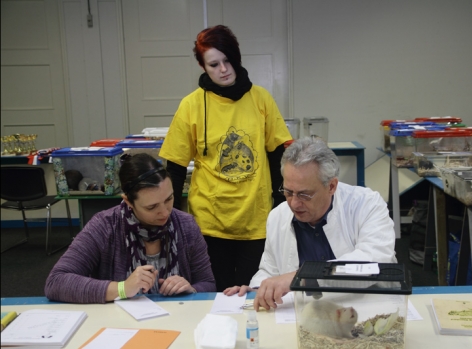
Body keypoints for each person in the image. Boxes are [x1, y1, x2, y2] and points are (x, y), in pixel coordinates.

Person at [159, 25, 292, 292]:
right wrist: (170, 218)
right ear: (203, 66)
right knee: (214, 296)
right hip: (209, 222)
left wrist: (281, 207)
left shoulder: (261, 99)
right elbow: (174, 167)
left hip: (256, 221)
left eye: (228, 60)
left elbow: (278, 155)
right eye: (214, 64)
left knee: (250, 295)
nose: (223, 69)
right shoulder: (191, 105)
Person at [224, 137, 397, 310]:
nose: (294, 203)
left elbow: (372, 262)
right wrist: (258, 289)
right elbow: (270, 270)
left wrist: (302, 277)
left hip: (366, 309)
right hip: (304, 316)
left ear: (331, 186)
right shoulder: (278, 216)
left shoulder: (367, 204)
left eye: (304, 195)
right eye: (288, 192)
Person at [45, 153, 215, 304]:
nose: (164, 212)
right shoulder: (104, 226)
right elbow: (56, 282)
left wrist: (190, 289)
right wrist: (122, 288)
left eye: (169, 199)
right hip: (120, 327)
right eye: (151, 207)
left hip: (177, 323)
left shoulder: (186, 225)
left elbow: (208, 284)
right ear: (128, 202)